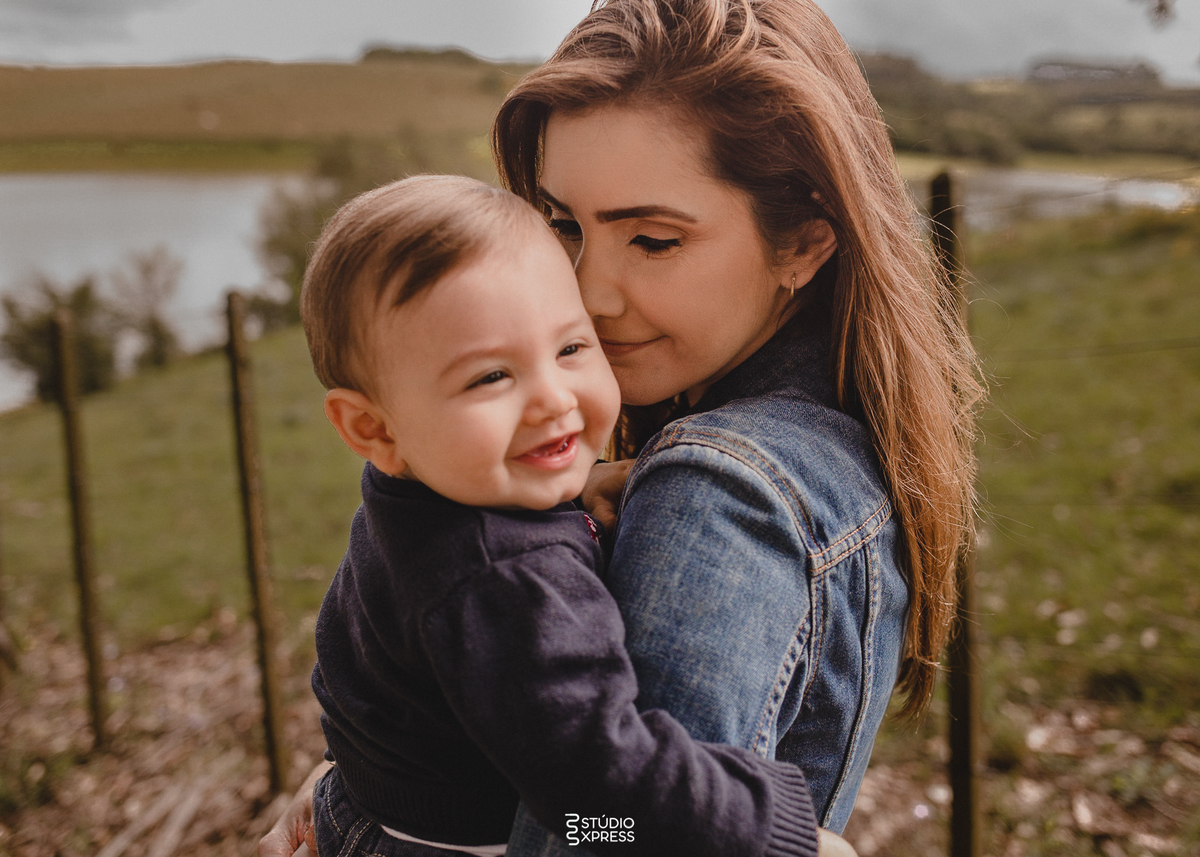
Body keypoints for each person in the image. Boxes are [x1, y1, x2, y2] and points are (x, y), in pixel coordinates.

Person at [261, 0, 979, 854]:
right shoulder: (782, 442)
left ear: (803, 242)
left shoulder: (717, 494)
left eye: (652, 238)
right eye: (563, 223)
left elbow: (599, 828)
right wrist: (377, 788)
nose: (588, 295)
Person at [300, 172, 831, 857]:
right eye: (491, 376)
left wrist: (576, 490)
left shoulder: (420, 491)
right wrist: (772, 834)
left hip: (374, 801)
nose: (554, 398)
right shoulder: (506, 581)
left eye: (573, 348)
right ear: (373, 428)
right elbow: (602, 789)